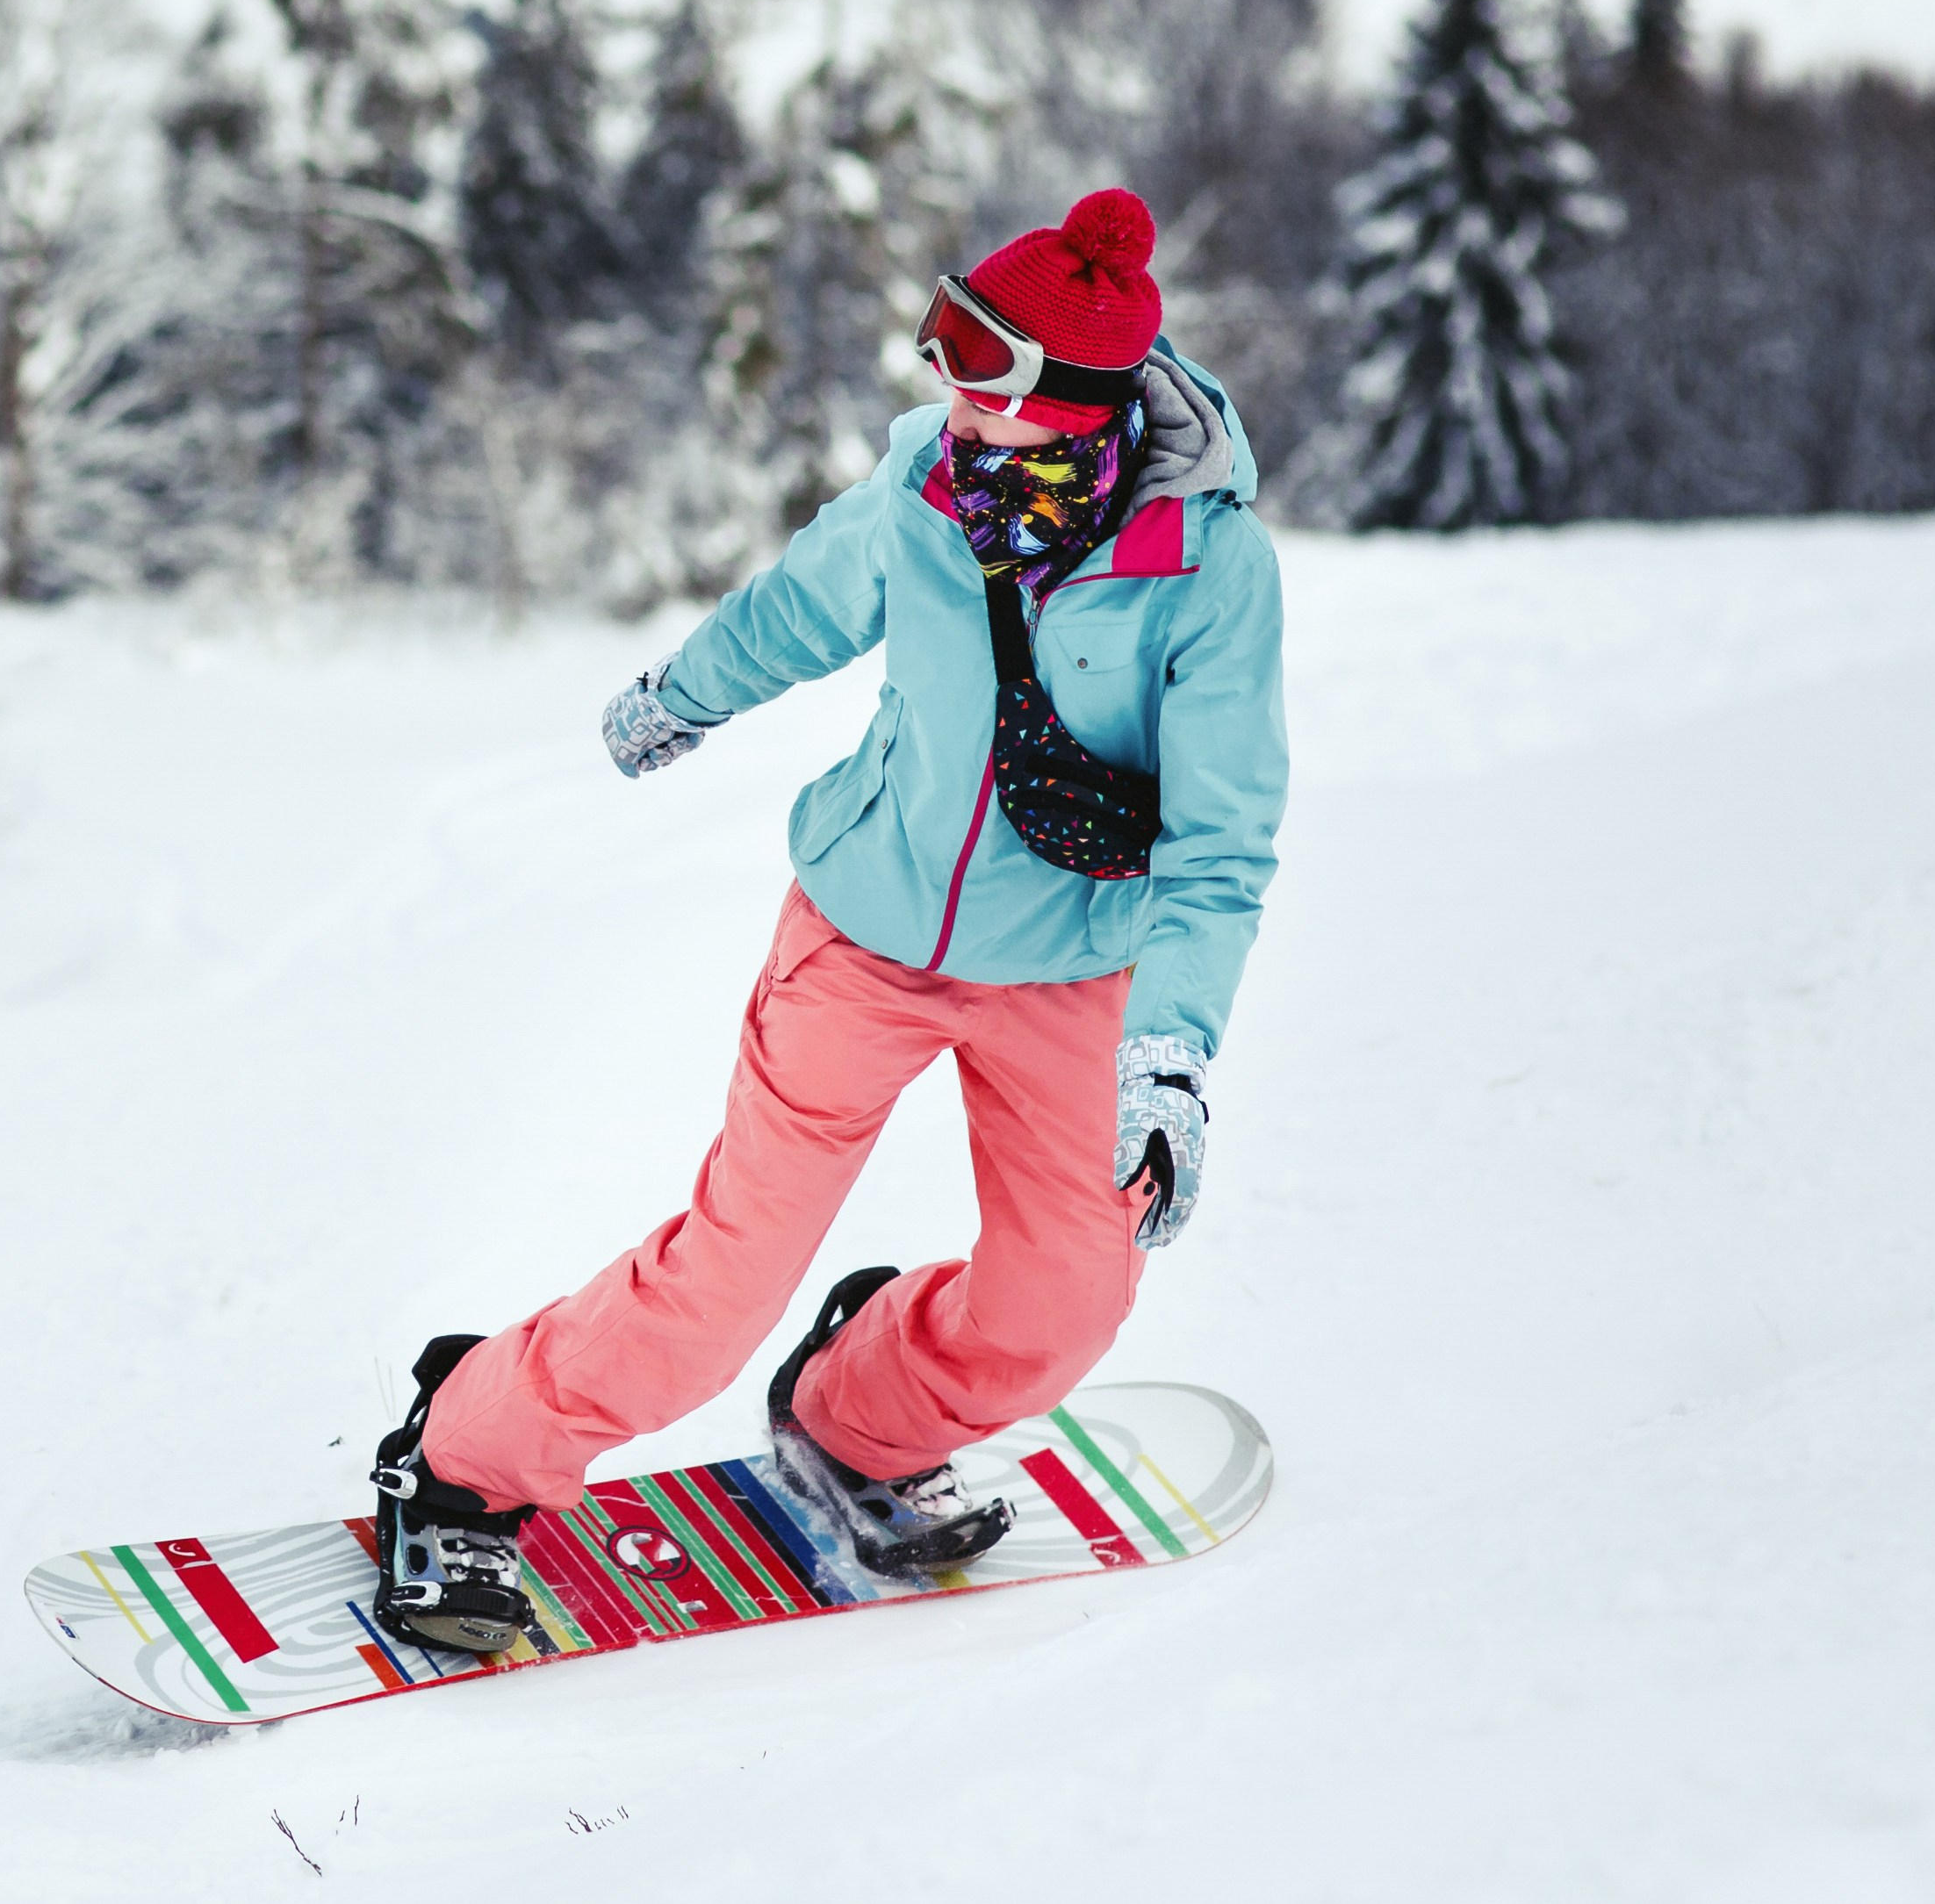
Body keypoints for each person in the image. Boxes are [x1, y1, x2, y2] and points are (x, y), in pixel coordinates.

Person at [365, 187, 1287, 1652]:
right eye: (943, 348)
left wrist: (1169, 1052)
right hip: (863, 936)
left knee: (1060, 1311)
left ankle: (864, 1414)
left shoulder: (1209, 570)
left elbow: (1219, 841)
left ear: (1072, 399)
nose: (944, 394)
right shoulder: (929, 488)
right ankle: (463, 1461)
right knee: (717, 1293)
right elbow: (796, 608)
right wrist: (682, 696)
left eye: (979, 369)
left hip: (1071, 967)